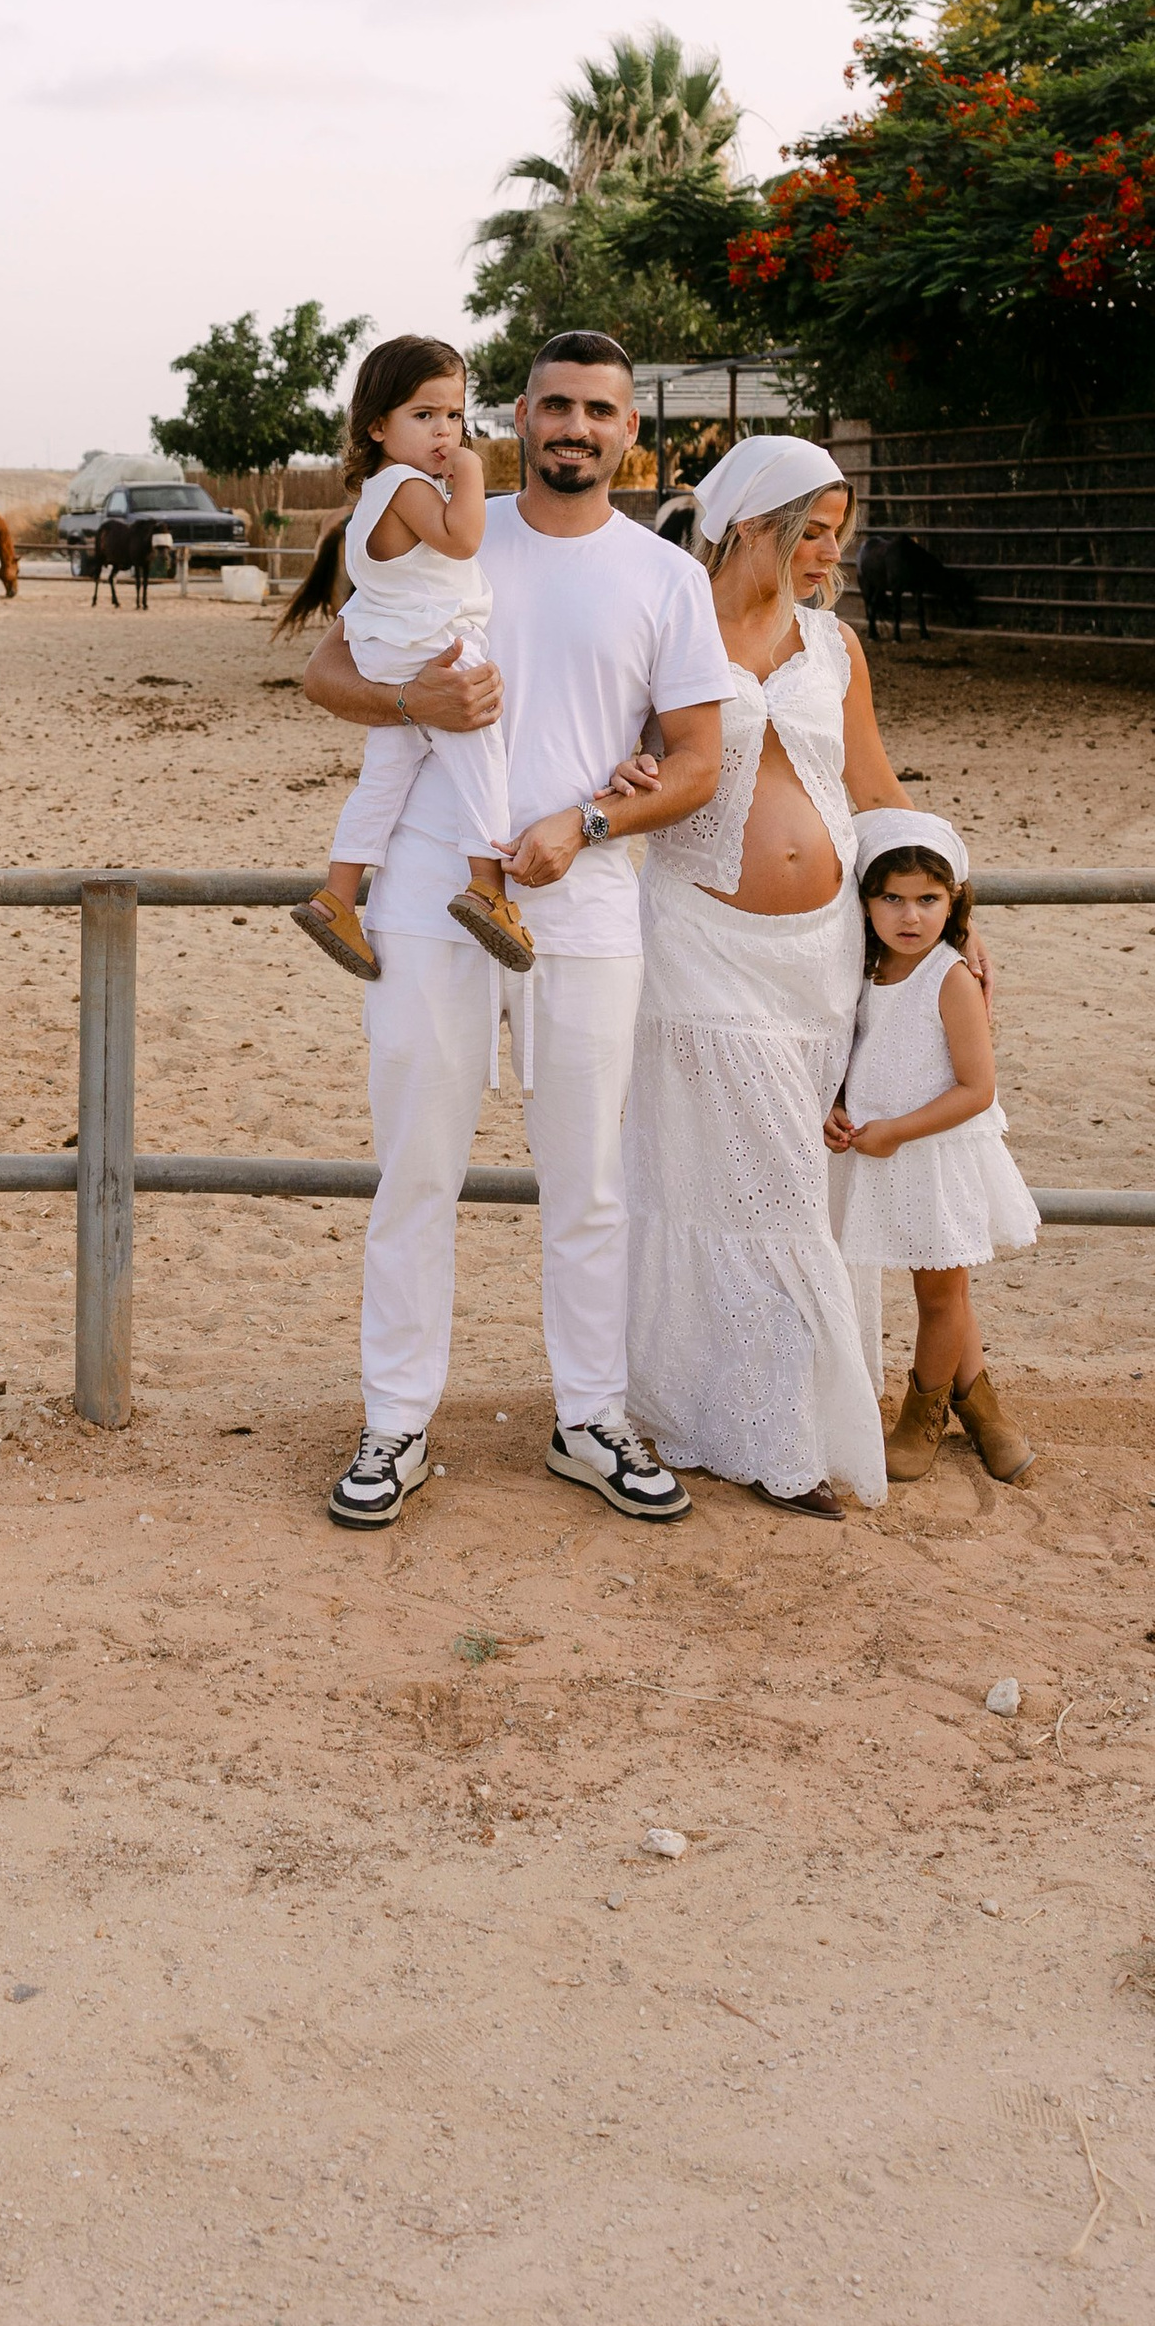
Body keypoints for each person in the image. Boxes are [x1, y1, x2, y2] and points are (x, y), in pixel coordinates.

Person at [295, 332, 730, 1531]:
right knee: (416, 1172)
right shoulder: (440, 528)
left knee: (588, 1182)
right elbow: (325, 672)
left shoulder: (664, 577)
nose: (574, 427)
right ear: (518, 420)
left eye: (598, 410)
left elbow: (697, 760)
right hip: (427, 899)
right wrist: (410, 700)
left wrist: (590, 821)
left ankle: (589, 1419)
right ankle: (394, 1422)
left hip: (583, 909)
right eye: (553, 406)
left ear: (628, 430)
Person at [616, 437, 922, 1518]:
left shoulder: (833, 645)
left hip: (820, 960)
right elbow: (615, 757)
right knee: (747, 1185)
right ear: (753, 524)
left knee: (799, 1181)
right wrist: (625, 770)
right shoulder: (667, 624)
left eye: (839, 532)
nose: (832, 552)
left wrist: (949, 905)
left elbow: (873, 784)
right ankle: (779, 1439)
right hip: (700, 946)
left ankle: (759, 1414)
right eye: (814, 531)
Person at [291, 335, 534, 986]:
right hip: (438, 646)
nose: (444, 432)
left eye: (454, 415)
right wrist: (473, 472)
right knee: (482, 761)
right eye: (424, 415)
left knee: (383, 780)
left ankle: (338, 896)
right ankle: (487, 888)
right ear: (378, 425)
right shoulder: (406, 485)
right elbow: (463, 539)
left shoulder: (371, 496)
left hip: (390, 653)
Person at [828, 814, 1038, 1485]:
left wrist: (896, 1129)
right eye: (891, 898)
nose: (909, 916)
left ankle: (924, 1412)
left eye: (927, 899)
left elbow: (977, 1088)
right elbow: (855, 1054)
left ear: (954, 903)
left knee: (941, 1295)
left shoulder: (949, 977)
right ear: (865, 902)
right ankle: (982, 1406)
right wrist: (837, 1106)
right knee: (940, 1282)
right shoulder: (862, 970)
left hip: (935, 1156)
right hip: (879, 1152)